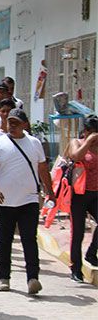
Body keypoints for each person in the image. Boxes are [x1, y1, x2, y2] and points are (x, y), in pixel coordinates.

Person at [0, 109, 53, 294]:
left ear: (25, 124)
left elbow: (43, 168)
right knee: (4, 240)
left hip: (29, 199)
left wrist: (50, 191)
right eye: (9, 121)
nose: (12, 125)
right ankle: (4, 277)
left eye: (16, 122)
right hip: (3, 201)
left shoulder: (34, 143)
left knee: (29, 239)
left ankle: (33, 278)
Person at [67, 115, 98, 281]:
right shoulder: (77, 143)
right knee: (77, 233)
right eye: (91, 133)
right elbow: (75, 156)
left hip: (96, 193)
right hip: (79, 194)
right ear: (85, 132)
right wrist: (87, 142)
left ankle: (91, 253)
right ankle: (76, 269)